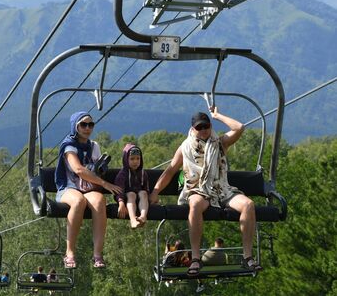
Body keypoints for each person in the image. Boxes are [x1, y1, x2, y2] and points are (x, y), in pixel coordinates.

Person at [149, 108, 262, 276]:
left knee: (248, 205)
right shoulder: (185, 147)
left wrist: (218, 115)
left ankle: (247, 257)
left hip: (221, 189)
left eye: (206, 126)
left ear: (210, 126)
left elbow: (239, 128)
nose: (203, 131)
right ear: (193, 129)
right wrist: (156, 190)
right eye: (199, 127)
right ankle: (195, 258)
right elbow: (171, 170)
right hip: (199, 189)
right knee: (194, 204)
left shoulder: (220, 143)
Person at [54, 111, 122, 269]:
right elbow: (78, 169)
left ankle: (97, 254)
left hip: (88, 188)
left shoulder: (93, 146)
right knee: (78, 201)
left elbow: (94, 170)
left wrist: (100, 169)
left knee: (99, 201)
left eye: (90, 124)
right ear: (75, 126)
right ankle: (69, 252)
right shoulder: (69, 146)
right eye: (83, 124)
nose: (87, 128)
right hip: (68, 188)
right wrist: (105, 184)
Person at [114, 144, 150, 228]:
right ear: (126, 160)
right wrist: (121, 203)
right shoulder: (122, 174)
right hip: (126, 198)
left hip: (140, 198)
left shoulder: (142, 173)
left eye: (138, 159)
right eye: (132, 159)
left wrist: (150, 197)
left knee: (144, 193)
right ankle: (133, 220)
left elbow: (146, 188)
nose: (135, 161)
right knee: (131, 194)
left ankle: (143, 216)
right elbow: (119, 190)